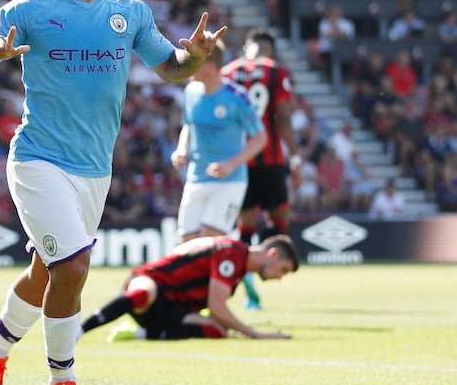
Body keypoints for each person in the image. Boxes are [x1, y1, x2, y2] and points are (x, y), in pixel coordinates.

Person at [0, 0, 227, 385]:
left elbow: (172, 70)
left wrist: (193, 57)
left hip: (94, 170)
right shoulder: (29, 8)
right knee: (74, 267)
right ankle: (63, 382)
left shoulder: (130, 11)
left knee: (49, 273)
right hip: (37, 159)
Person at [77, 234, 299, 341]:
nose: (280, 277)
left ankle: (139, 334)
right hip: (153, 283)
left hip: (174, 309)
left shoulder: (238, 272)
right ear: (273, 254)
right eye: (284, 270)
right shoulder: (232, 252)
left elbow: (215, 315)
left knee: (217, 331)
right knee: (142, 294)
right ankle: (81, 330)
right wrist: (256, 334)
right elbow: (216, 307)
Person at [220, 28, 301, 309]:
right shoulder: (275, 71)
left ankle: (245, 279)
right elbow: (283, 116)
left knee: (245, 227)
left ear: (247, 48)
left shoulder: (228, 71)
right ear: (270, 50)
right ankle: (269, 262)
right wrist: (297, 157)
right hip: (270, 159)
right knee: (279, 219)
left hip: (239, 159)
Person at [171, 39, 266, 243]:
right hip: (196, 178)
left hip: (228, 181)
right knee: (186, 245)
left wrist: (230, 165)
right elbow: (188, 125)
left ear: (210, 66)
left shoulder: (237, 97)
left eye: (194, 61)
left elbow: (260, 138)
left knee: (208, 243)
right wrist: (181, 149)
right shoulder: (190, 93)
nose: (188, 66)